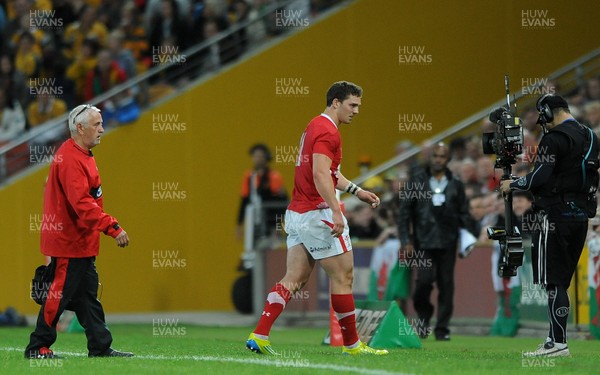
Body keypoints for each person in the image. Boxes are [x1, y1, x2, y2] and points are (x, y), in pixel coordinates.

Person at [245, 81, 388, 355]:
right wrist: (336, 210)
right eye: (352, 105)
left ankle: (260, 334)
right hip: (316, 212)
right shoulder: (328, 132)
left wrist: (357, 191)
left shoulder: (315, 126)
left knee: (294, 277)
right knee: (343, 276)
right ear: (336, 102)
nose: (356, 111)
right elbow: (321, 175)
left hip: (297, 213)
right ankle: (352, 345)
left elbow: (330, 173)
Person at [25, 104, 133, 359]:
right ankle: (37, 346)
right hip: (68, 243)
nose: (102, 129)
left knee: (87, 298)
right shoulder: (72, 158)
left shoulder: (77, 154)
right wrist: (112, 227)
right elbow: (82, 204)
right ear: (80, 128)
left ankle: (100, 346)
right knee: (57, 297)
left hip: (80, 242)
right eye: (97, 125)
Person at [501, 94, 600, 357]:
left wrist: (513, 184)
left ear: (547, 111)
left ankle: (557, 343)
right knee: (561, 283)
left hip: (554, 215)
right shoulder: (591, 136)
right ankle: (555, 340)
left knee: (553, 282)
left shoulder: (553, 138)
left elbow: (540, 176)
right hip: (580, 217)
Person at [397, 142, 470, 341]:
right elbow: (404, 214)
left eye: (442, 157)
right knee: (423, 282)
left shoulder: (456, 183)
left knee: (447, 284)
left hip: (448, 241)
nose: (438, 160)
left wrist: (468, 239)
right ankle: (423, 317)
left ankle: (442, 329)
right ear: (430, 158)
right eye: (435, 156)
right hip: (423, 242)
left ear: (448, 160)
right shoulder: (416, 181)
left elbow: (464, 214)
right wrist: (406, 240)